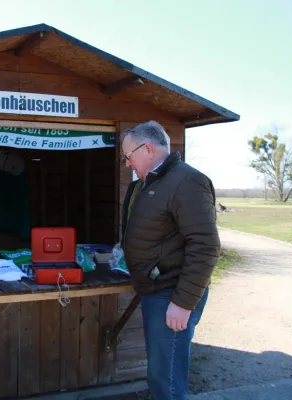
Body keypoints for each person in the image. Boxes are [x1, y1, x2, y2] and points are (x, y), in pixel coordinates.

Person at [120, 121, 220, 400]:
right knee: (160, 374)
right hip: (157, 291)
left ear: (148, 148)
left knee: (168, 380)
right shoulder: (146, 183)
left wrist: (183, 303)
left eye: (129, 156)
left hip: (172, 295)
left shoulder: (187, 181)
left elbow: (206, 246)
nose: (128, 163)